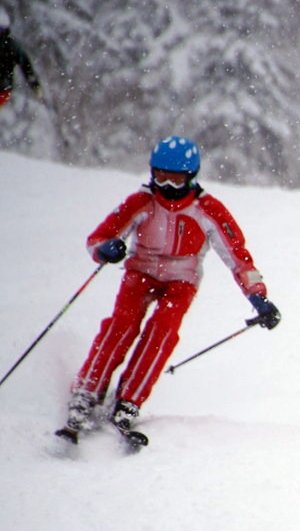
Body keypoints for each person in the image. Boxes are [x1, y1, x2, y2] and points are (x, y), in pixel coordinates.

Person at [55, 136, 282, 446]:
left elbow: (238, 255)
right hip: (140, 272)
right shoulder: (142, 202)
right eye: (161, 176)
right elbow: (99, 238)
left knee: (162, 332)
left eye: (176, 179)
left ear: (191, 177)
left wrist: (258, 296)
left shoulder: (207, 209)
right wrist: (106, 249)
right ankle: (86, 393)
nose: (168, 187)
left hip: (181, 281)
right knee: (122, 325)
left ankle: (129, 402)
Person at [0, 8, 43, 109]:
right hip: (4, 89)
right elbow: (25, 65)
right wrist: (34, 84)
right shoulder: (12, 45)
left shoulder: (11, 45)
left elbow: (25, 64)